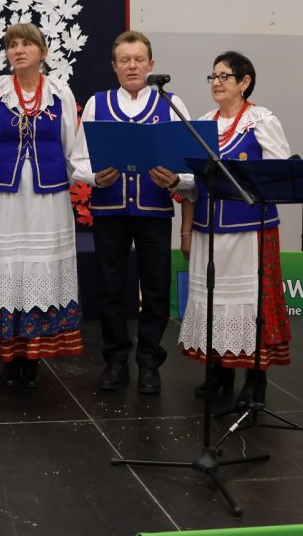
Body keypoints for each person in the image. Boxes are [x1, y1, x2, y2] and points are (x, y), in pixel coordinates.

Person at [155, 51, 291, 408]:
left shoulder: (262, 121)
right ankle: (219, 368)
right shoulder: (202, 123)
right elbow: (194, 181)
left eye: (224, 76)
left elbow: (277, 174)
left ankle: (256, 378)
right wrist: (177, 181)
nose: (216, 83)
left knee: (251, 303)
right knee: (212, 299)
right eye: (212, 77)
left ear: (245, 82)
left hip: (249, 228)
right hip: (208, 228)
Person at [78, 31, 191, 395]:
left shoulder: (171, 103)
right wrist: (94, 177)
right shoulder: (97, 103)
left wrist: (176, 179)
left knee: (156, 289)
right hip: (109, 210)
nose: (132, 66)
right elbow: (78, 160)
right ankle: (114, 361)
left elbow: (190, 164)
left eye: (139, 59)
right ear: (114, 66)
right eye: (124, 60)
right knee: (110, 289)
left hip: (153, 211)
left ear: (151, 64)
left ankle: (149, 363)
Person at [0, 23, 85, 389]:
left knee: (40, 264)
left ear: (43, 52)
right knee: (8, 264)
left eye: (27, 44)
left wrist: (83, 178)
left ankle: (34, 354)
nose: (18, 50)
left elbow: (71, 147)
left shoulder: (59, 92)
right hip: (3, 195)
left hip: (47, 196)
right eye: (12, 45)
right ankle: (10, 355)